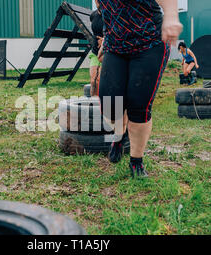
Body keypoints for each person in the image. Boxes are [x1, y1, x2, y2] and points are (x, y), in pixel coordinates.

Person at [97, 0, 182, 178]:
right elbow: (107, 9)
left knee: (138, 104)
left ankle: (136, 161)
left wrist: (171, 16)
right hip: (115, 46)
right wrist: (107, 37)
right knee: (110, 105)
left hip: (149, 43)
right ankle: (120, 136)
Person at [89, 0, 104, 96]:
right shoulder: (93, 15)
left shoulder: (111, 15)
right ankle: (94, 105)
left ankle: (107, 106)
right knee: (93, 80)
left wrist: (104, 40)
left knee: (102, 80)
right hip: (95, 52)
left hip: (108, 52)